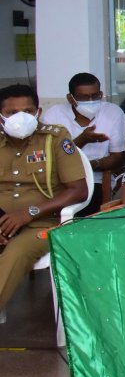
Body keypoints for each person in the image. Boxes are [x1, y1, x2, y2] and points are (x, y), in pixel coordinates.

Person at [0, 84, 89, 314]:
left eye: (28, 111)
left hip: (44, 223)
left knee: (16, 253)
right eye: (11, 113)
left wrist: (28, 213)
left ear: (38, 112)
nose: (21, 117)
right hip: (2, 221)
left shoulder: (55, 138)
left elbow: (79, 190)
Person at [41, 72, 125, 214]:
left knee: (89, 207)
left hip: (97, 181)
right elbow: (51, 159)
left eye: (95, 95)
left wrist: (90, 166)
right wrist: (82, 140)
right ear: (71, 98)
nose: (91, 100)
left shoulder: (113, 112)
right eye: (84, 97)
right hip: (61, 182)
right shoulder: (54, 115)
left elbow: (118, 158)